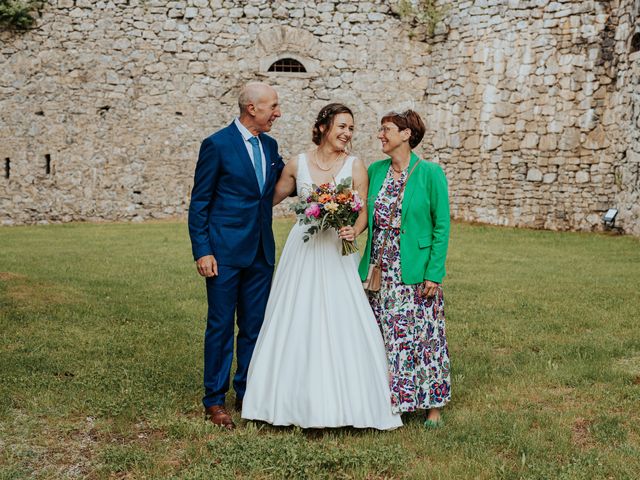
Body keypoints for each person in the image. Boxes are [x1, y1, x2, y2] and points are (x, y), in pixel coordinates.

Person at [241, 103, 402, 430]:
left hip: (335, 253)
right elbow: (264, 200)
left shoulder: (356, 166)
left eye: (351, 129)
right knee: (294, 315)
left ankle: (349, 403)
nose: (347, 134)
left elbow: (362, 214)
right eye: (342, 126)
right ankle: (282, 400)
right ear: (324, 127)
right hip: (302, 250)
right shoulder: (296, 165)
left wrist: (352, 230)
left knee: (341, 318)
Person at [188, 82, 284, 430]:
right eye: (273, 106)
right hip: (224, 253)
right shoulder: (216, 145)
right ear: (251, 108)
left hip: (260, 252)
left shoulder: (271, 146)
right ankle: (214, 399)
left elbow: (287, 181)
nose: (278, 112)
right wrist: (203, 250)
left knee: (254, 327)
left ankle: (248, 392)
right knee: (220, 325)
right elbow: (200, 203)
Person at [356, 109, 451, 428]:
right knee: (385, 336)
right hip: (379, 268)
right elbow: (364, 216)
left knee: (424, 336)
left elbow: (442, 226)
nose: (380, 135)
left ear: (406, 134)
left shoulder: (430, 173)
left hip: (415, 268)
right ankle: (392, 400)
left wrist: (433, 273)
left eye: (387, 129)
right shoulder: (376, 170)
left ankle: (433, 406)